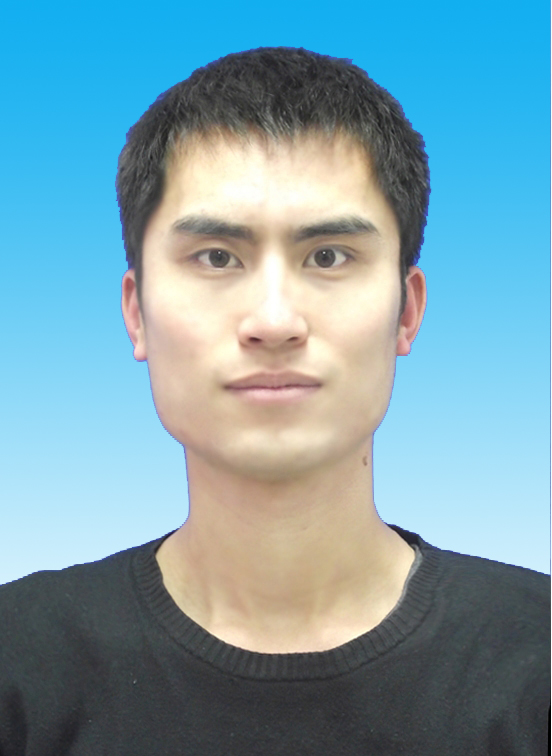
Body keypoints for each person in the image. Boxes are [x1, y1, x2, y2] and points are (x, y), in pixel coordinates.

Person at [0, 47, 548, 755]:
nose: (274, 321)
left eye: (328, 256)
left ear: (407, 311)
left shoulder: (535, 663)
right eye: (217, 257)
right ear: (136, 313)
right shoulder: (21, 663)